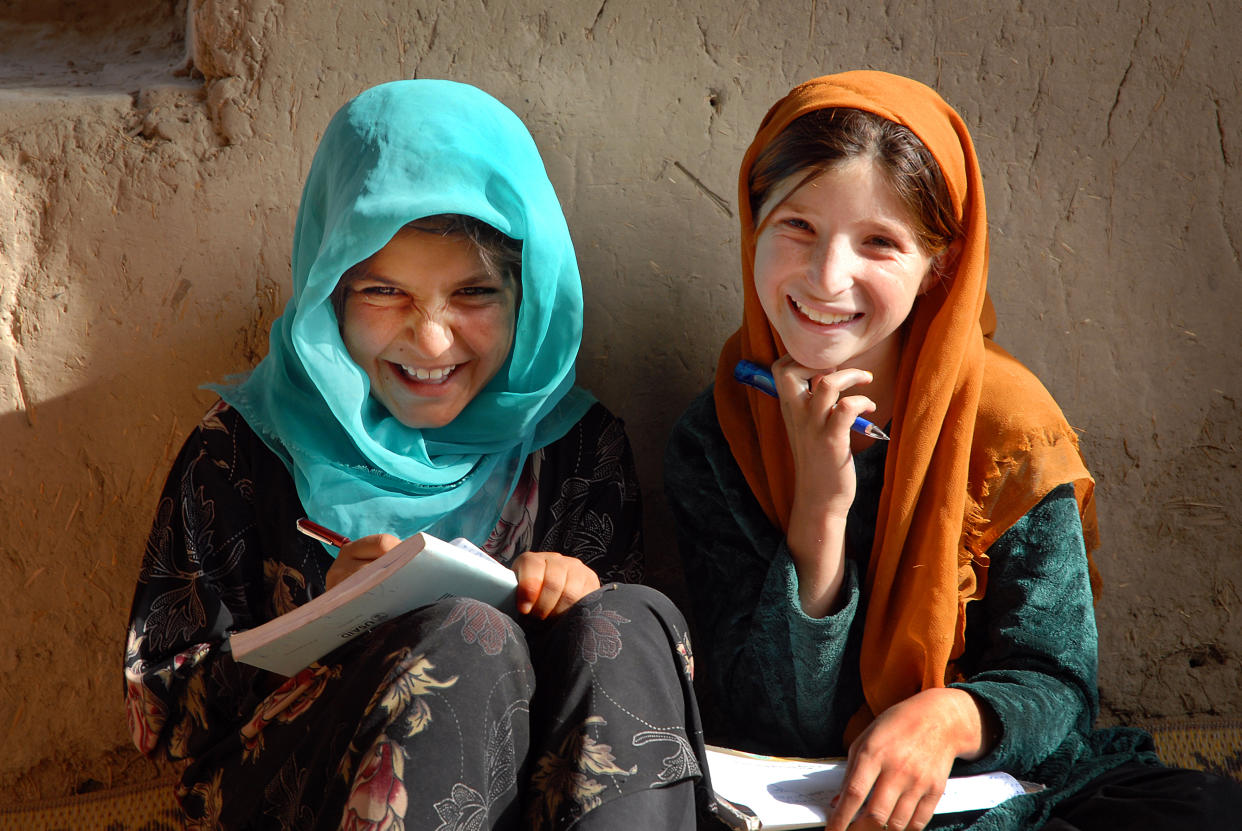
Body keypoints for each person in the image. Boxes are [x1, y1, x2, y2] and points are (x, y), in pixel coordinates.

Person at [665, 70, 1242, 831]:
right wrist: (820, 516)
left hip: (998, 793)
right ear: (753, 223)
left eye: (880, 242)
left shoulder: (1007, 428)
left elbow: (1059, 685)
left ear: (938, 264)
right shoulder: (723, 432)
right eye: (797, 226)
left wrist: (952, 715)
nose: (827, 276)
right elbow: (766, 719)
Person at [124, 80, 708, 830]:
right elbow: (159, 716)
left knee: (630, 620)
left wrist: (577, 595)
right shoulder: (240, 453)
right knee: (471, 639)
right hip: (306, 796)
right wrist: (331, 626)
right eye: (383, 292)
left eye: (474, 294)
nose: (432, 340)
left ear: (528, 297)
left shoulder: (577, 449)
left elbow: (600, 699)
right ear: (328, 290)